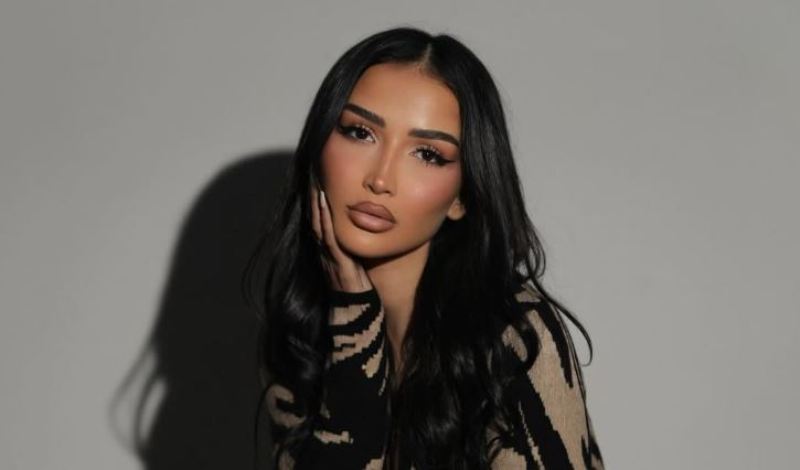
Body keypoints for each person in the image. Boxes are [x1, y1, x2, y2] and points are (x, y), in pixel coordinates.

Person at [243, 27, 605, 469]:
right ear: (319, 146)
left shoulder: (513, 336)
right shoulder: (300, 334)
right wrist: (354, 325)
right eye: (360, 132)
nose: (380, 178)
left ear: (461, 197)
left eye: (428, 154)